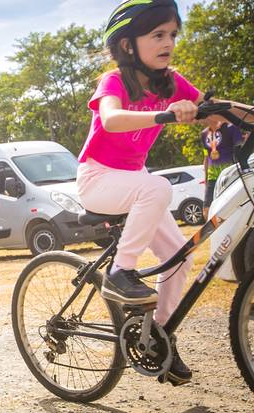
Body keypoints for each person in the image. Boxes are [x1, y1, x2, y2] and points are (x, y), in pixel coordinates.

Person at [76, 0, 253, 385]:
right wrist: (167, 114)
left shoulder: (170, 82)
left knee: (179, 258)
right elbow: (111, 119)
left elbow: (216, 110)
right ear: (127, 45)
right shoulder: (114, 81)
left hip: (135, 181)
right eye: (157, 35)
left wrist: (245, 115)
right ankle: (119, 272)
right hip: (98, 179)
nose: (168, 42)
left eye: (172, 34)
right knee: (157, 186)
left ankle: (156, 337)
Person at [200, 120, 243, 219]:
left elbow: (241, 151)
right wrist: (206, 180)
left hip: (230, 176)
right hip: (213, 177)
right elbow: (206, 157)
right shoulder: (204, 134)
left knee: (232, 208)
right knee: (207, 211)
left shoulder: (231, 128)